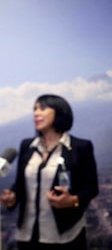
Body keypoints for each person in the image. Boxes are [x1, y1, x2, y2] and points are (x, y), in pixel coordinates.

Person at [1, 94, 99, 250]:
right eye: (34, 109)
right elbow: (20, 185)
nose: (36, 113)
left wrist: (73, 200)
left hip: (65, 235)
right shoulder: (27, 146)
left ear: (60, 112)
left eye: (42, 108)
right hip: (27, 235)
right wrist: (12, 197)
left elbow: (91, 188)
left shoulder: (81, 147)